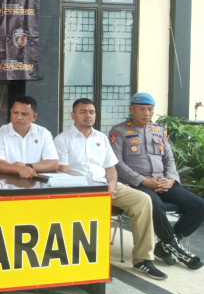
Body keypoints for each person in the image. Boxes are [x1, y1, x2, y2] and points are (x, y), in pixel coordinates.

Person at [55, 98, 166, 280]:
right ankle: (94, 264)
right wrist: (88, 189)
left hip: (106, 186)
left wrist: (112, 185)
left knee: (143, 199)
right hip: (80, 190)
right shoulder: (62, 139)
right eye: (83, 112)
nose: (88, 115)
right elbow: (63, 172)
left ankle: (142, 259)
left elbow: (111, 169)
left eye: (91, 112)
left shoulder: (101, 138)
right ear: (73, 115)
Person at [109, 92, 204, 270]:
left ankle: (166, 245)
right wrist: (144, 181)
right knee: (154, 204)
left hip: (163, 181)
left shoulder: (158, 130)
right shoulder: (118, 131)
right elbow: (117, 163)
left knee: (199, 205)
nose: (147, 113)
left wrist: (171, 179)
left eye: (150, 109)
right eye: (142, 109)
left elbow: (169, 159)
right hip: (136, 184)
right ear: (131, 109)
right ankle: (175, 247)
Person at [0, 95, 59, 176]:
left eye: (24, 114)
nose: (19, 117)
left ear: (34, 116)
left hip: (36, 179)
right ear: (11, 113)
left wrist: (27, 166)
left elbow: (53, 163)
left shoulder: (43, 133)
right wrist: (18, 169)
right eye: (15, 113)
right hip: (9, 180)